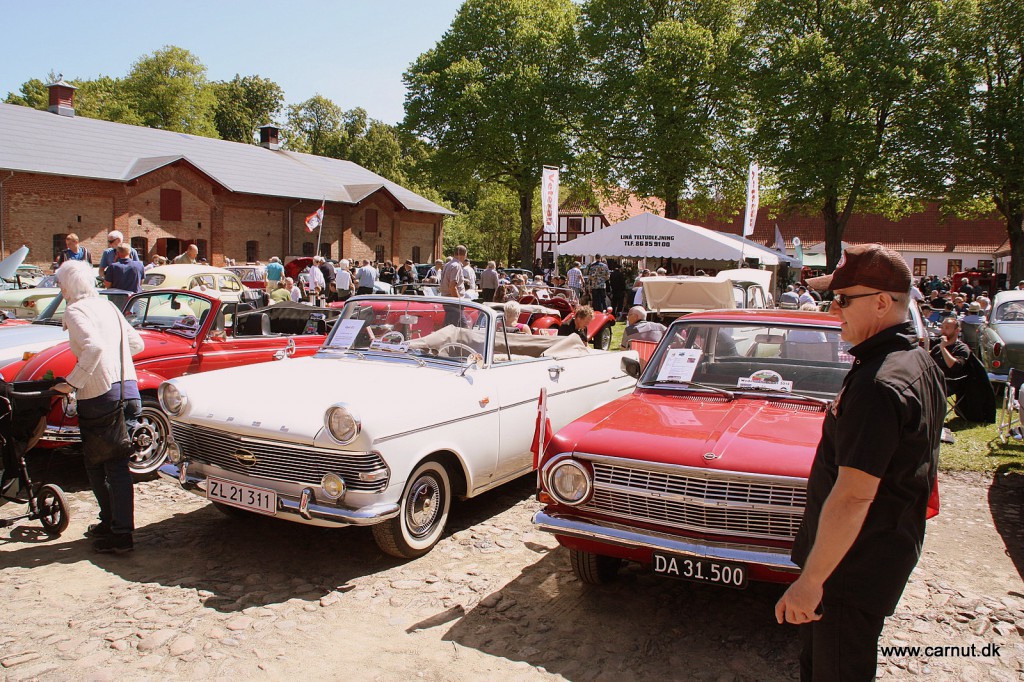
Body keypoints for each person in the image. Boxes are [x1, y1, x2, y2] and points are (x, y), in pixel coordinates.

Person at [777, 244, 945, 681]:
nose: (834, 310)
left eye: (843, 299)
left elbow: (853, 496)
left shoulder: (880, 382)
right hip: (872, 556)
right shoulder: (914, 361)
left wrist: (811, 582)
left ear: (883, 303)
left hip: (847, 570)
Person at [52, 260, 144, 553]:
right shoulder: (108, 306)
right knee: (111, 464)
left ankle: (119, 532)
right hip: (128, 389)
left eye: (60, 284)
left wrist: (72, 382)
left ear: (68, 285)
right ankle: (114, 525)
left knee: (101, 464)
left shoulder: (76, 310)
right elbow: (136, 344)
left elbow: (93, 348)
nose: (60, 289)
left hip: (101, 395)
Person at [930, 316, 970, 383]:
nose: (943, 331)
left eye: (947, 328)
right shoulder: (937, 348)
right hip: (936, 383)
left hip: (952, 386)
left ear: (957, 330)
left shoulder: (962, 348)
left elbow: (955, 366)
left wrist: (943, 348)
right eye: (942, 327)